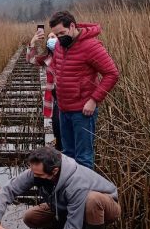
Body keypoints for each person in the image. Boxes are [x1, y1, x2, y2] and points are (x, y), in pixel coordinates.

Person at [49, 11, 119, 169]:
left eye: (62, 33)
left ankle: (84, 192)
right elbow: (56, 67)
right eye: (56, 34)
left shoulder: (91, 46)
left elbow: (112, 74)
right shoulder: (61, 44)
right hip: (63, 109)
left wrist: (94, 100)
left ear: (72, 26)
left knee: (84, 157)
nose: (59, 37)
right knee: (67, 154)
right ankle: (71, 191)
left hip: (83, 111)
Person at [28, 25, 62, 151]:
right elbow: (31, 60)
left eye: (53, 37)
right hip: (54, 98)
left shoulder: (67, 55)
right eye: (49, 38)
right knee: (57, 129)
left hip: (66, 98)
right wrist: (33, 42)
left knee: (61, 130)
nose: (50, 40)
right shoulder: (48, 57)